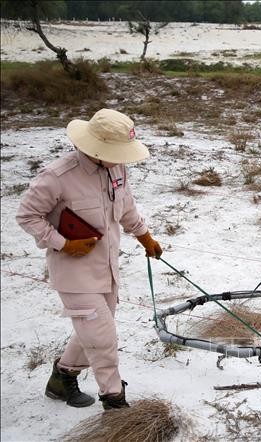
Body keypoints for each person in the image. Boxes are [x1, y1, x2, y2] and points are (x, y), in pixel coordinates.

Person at [16, 109, 162, 410]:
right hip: (74, 275)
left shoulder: (117, 169)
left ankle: (62, 378)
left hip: (106, 269)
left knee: (93, 331)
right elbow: (27, 215)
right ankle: (113, 399)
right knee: (103, 338)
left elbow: (127, 207)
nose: (121, 157)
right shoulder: (57, 176)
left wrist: (144, 236)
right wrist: (63, 243)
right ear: (96, 148)